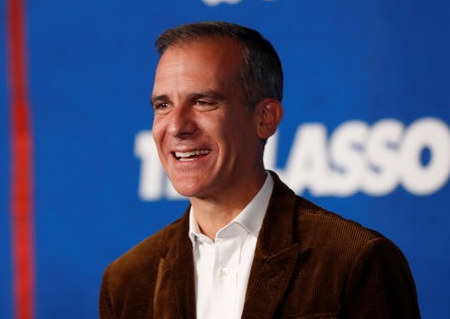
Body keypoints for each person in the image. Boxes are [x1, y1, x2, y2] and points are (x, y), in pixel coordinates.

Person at [99, 21, 420, 318]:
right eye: (163, 105)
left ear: (265, 118)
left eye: (203, 102)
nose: (177, 126)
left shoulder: (357, 260)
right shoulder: (126, 281)